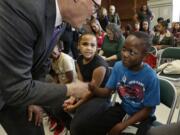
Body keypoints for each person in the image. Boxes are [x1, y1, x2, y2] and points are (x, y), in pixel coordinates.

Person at [0, 0, 102, 135]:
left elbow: (42, 63)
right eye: (95, 6)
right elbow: (16, 87)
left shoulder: (60, 21)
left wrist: (35, 100)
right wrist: (70, 89)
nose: (94, 15)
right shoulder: (25, 9)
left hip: (18, 90)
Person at [71, 31, 160, 135]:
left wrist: (123, 125)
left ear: (145, 56)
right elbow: (107, 92)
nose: (125, 54)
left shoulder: (151, 76)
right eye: (124, 49)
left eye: (132, 52)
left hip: (143, 116)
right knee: (91, 128)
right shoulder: (118, 66)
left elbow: (148, 110)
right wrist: (94, 89)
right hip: (123, 108)